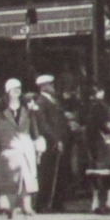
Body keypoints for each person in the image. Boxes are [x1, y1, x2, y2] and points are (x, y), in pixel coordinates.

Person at [0, 78, 42, 218]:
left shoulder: (26, 107)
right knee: (9, 180)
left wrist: (37, 139)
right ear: (8, 90)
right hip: (8, 148)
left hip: (25, 146)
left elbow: (33, 126)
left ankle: (26, 206)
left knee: (27, 178)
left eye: (19, 88)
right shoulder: (0, 108)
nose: (17, 90)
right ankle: (7, 207)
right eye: (14, 88)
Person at [29, 73, 72, 212]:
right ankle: (43, 204)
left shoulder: (53, 101)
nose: (53, 87)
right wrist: (55, 139)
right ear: (44, 87)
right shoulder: (41, 103)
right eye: (50, 85)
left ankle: (57, 203)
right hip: (50, 143)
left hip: (59, 141)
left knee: (59, 173)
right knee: (47, 174)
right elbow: (44, 125)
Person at [85, 84, 110, 215]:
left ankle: (95, 202)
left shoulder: (89, 107)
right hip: (105, 143)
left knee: (95, 174)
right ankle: (109, 202)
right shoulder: (101, 107)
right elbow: (107, 125)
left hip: (93, 143)